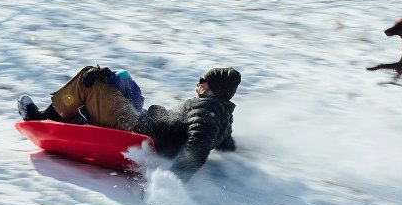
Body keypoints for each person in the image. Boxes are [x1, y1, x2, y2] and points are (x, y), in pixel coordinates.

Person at [17, 66, 241, 182]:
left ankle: (46, 115)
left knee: (91, 79)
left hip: (135, 126)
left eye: (203, 80)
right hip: (142, 119)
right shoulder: (222, 114)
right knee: (120, 77)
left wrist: (171, 185)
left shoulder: (208, 110)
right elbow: (223, 142)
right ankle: (80, 113)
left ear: (212, 88)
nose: (198, 83)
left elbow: (198, 145)